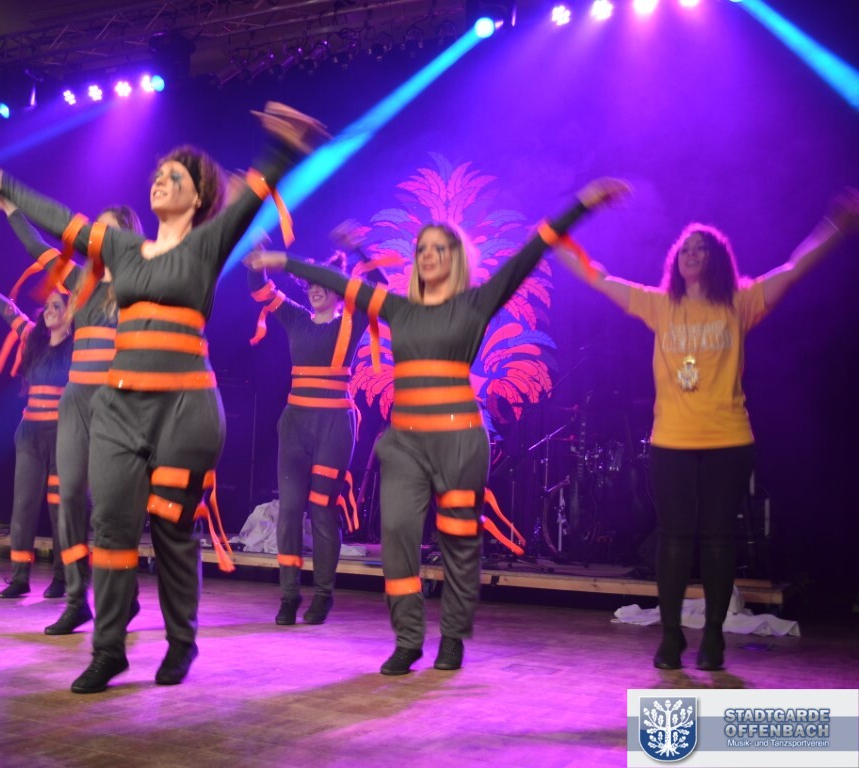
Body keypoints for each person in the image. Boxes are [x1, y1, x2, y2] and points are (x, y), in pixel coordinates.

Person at [0, 101, 329, 693]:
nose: (160, 179)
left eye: (174, 176)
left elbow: (254, 196)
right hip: (118, 408)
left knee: (171, 531)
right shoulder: (121, 250)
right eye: (157, 174)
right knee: (110, 525)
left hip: (185, 411)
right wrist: (0, 180)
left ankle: (181, 640)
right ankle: (108, 648)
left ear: (198, 196)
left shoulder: (207, 243)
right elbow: (60, 221)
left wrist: (285, 144)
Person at [247, 177, 630, 675]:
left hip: (458, 441)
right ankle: (408, 639)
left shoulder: (477, 302)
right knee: (397, 536)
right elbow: (341, 284)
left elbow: (532, 249)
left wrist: (581, 203)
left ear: (455, 258)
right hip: (404, 443)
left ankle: (452, 638)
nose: (427, 255)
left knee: (458, 542)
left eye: (438, 248)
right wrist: (283, 261)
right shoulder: (397, 307)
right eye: (421, 248)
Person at [551, 187, 859, 671]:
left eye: (701, 248)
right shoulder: (659, 305)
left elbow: (794, 268)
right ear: (676, 261)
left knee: (718, 538)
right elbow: (599, 277)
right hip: (672, 440)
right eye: (685, 248)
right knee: (674, 537)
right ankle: (672, 636)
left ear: (716, 259)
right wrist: (556, 237)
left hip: (728, 439)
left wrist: (837, 227)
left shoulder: (740, 302)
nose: (692, 254)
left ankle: (713, 635)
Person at [0, 194, 143, 634]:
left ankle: (126, 592)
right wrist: (11, 209)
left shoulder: (137, 286)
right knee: (69, 499)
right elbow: (37, 249)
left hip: (115, 403)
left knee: (107, 508)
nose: (99, 236)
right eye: (96, 228)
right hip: (74, 402)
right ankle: (78, 600)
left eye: (109, 229)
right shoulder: (80, 281)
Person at [247, 242, 385, 626]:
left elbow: (379, 288)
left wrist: (358, 248)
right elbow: (259, 289)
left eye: (322, 284)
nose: (314, 290)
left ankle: (323, 595)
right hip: (295, 425)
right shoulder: (296, 317)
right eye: (310, 285)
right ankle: (289, 595)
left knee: (323, 510)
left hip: (333, 426)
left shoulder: (351, 322)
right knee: (290, 510)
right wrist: (257, 256)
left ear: (337, 291)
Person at [0, 270, 73, 601]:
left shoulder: (79, 346)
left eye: (57, 306)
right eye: (47, 306)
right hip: (30, 433)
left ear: (70, 313)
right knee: (23, 505)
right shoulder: (33, 339)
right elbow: (10, 312)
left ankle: (63, 577)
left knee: (60, 509)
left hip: (62, 436)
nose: (49, 310)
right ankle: (20, 577)